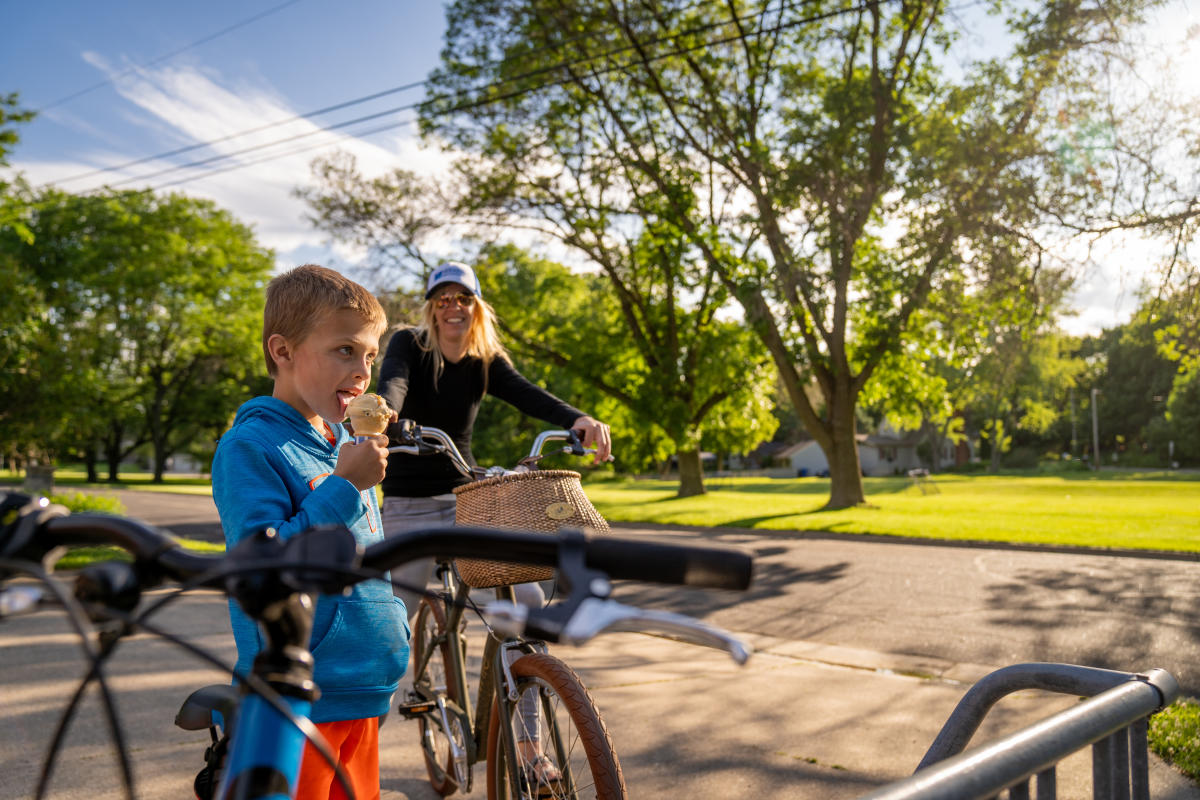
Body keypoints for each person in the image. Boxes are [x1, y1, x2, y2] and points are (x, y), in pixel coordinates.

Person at [376, 260, 610, 786]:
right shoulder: (409, 345)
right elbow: (392, 383)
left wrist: (576, 419)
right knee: (391, 617)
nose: (452, 307)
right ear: (431, 307)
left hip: (465, 500)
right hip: (409, 504)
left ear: (476, 306)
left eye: (463, 298)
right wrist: (387, 416)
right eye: (443, 298)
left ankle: (529, 748)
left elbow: (530, 394)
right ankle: (354, 740)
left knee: (522, 601)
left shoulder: (484, 361)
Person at [212, 264, 409, 800]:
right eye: (345, 350)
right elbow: (265, 561)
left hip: (363, 686)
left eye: (370, 354)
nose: (364, 370)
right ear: (283, 351)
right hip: (296, 697)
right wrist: (345, 485)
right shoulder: (250, 448)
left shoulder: (346, 445)